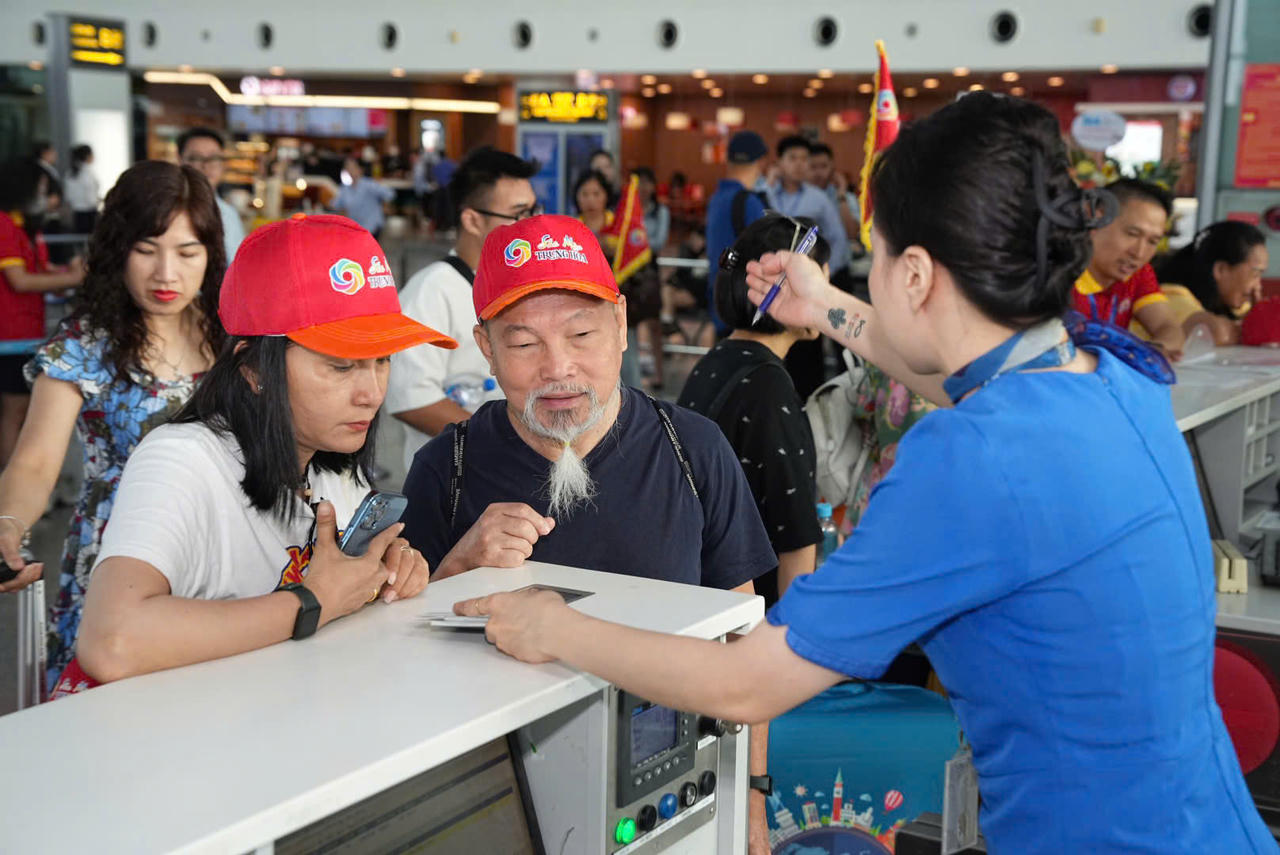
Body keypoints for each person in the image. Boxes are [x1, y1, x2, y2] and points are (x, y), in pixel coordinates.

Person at [451, 93, 1276, 854]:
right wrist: (826, 310)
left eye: (874, 255)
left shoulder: (969, 459)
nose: (865, 275)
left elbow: (743, 683)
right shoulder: (1116, 372)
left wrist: (552, 626)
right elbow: (969, 375)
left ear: (913, 273)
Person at [402, 213, 778, 853]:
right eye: (523, 345)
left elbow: (743, 631)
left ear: (623, 326)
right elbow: (397, 662)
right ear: (485, 347)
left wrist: (750, 794)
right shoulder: (448, 467)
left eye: (582, 334)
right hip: (502, 808)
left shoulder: (693, 450)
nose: (559, 369)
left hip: (675, 790)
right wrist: (456, 569)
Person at [66, 214, 450, 694]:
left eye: (383, 361)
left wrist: (388, 573)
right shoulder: (180, 460)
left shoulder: (337, 468)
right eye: (341, 366)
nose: (371, 394)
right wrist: (310, 601)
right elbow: (111, 641)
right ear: (253, 369)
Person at [0, 162, 228, 687]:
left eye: (187, 252)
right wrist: (9, 525)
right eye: (146, 251)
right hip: (119, 562)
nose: (166, 273)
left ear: (211, 254)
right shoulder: (84, 345)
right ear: (116, 250)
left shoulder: (236, 336)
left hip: (222, 550)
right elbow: (34, 461)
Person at [678, 214, 829, 607]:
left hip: (705, 595)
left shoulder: (716, 358)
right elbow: (795, 537)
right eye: (821, 281)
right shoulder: (768, 385)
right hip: (752, 614)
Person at [387, 146, 539, 473]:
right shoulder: (432, 291)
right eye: (518, 214)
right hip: (455, 484)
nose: (529, 225)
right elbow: (410, 399)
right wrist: (502, 445)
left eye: (533, 211)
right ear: (471, 219)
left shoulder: (522, 286)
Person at [0, 157, 85, 464]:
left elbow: (43, 276)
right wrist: (74, 276)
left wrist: (66, 275)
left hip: (25, 334)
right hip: (10, 336)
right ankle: (11, 487)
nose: (47, 197)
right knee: (15, 414)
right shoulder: (4, 225)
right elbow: (20, 281)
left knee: (20, 414)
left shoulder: (24, 227)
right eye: (41, 189)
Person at [1071, 178, 1185, 358]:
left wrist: (1152, 352)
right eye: (1132, 234)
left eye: (1152, 241)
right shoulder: (1060, 273)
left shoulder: (1138, 273)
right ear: (1095, 219)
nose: (1139, 253)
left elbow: (1168, 327)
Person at [1150, 221, 1270, 346]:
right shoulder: (1170, 296)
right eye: (1255, 274)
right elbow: (1214, 332)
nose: (1258, 286)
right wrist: (1259, 324)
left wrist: (1258, 315)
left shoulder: (1231, 304)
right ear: (1221, 270)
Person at [574, 170, 642, 389]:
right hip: (581, 306)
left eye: (596, 193)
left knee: (627, 357)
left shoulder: (620, 228)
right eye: (585, 194)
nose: (591, 200)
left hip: (618, 303)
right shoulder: (570, 229)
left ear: (606, 196)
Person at [705, 130, 770, 335]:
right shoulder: (749, 202)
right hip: (746, 308)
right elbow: (766, 252)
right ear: (761, 162)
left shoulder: (716, 199)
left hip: (720, 301)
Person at [177, 127, 245, 261]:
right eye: (195, 158)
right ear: (179, 160)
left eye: (214, 158)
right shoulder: (169, 211)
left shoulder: (229, 214)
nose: (206, 166)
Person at [633, 166, 670, 387]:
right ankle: (635, 372)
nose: (643, 188)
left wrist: (635, 243)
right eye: (639, 183)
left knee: (654, 323)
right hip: (629, 272)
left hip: (649, 269)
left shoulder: (660, 211)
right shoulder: (627, 210)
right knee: (630, 324)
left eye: (647, 183)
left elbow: (658, 242)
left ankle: (659, 374)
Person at [332, 156, 396, 241]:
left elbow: (390, 194)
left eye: (352, 167)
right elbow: (335, 204)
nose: (350, 170)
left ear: (360, 169)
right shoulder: (345, 188)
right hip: (356, 229)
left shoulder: (369, 184)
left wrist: (385, 205)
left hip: (372, 228)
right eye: (347, 167)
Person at [808, 142, 859, 243]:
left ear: (832, 167)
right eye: (813, 167)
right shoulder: (796, 197)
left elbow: (852, 233)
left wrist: (841, 195)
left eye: (824, 166)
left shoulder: (846, 197)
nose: (819, 173)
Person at [63, 144, 100, 235]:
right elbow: (90, 196)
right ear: (88, 156)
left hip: (76, 213)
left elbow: (68, 196)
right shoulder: (86, 173)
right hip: (88, 213)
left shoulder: (70, 173)